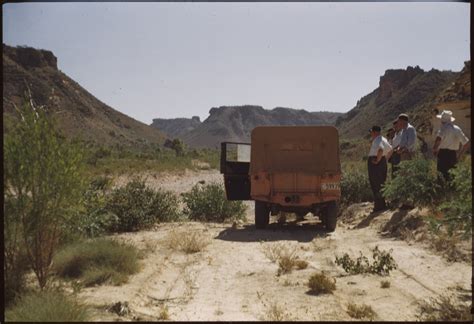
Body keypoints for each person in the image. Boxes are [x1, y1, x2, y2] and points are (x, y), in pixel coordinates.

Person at [432, 110, 470, 182]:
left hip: (442, 154)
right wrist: (459, 156)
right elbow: (466, 143)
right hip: (453, 155)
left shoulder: (443, 128)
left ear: (442, 120)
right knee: (452, 177)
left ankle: (443, 192)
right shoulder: (457, 129)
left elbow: (438, 140)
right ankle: (451, 192)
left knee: (441, 177)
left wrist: (434, 149)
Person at [368, 126, 392, 212]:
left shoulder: (377, 140)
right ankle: (382, 204)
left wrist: (377, 160)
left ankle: (379, 206)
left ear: (374, 132)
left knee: (376, 184)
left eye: (371, 132)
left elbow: (381, 149)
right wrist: (385, 159)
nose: (371, 134)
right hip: (382, 162)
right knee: (381, 183)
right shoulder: (384, 139)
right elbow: (391, 150)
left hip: (375, 163)